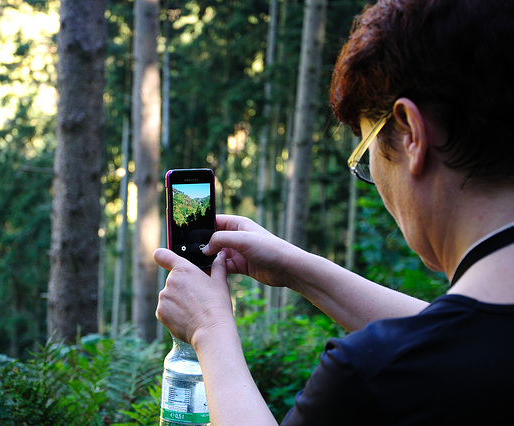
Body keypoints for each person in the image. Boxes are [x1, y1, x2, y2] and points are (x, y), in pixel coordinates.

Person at [154, 0, 514, 424]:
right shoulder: (478, 344)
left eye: (365, 155)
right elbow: (461, 338)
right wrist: (296, 267)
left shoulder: (369, 378)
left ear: (412, 135)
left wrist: (209, 331)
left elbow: (441, 346)